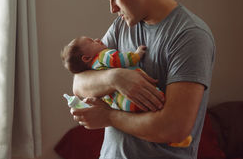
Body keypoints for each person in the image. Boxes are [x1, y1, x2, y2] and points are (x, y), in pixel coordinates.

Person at [70, 0, 215, 159]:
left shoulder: (190, 35)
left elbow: (174, 128)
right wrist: (115, 78)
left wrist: (109, 117)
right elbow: (79, 83)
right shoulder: (123, 25)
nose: (112, 9)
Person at [61, 36, 193, 147]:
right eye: (91, 41)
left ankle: (172, 140)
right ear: (86, 58)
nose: (97, 39)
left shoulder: (93, 68)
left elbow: (176, 126)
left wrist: (109, 115)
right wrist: (136, 56)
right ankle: (174, 141)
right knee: (158, 101)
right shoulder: (103, 55)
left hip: (122, 104)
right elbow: (78, 85)